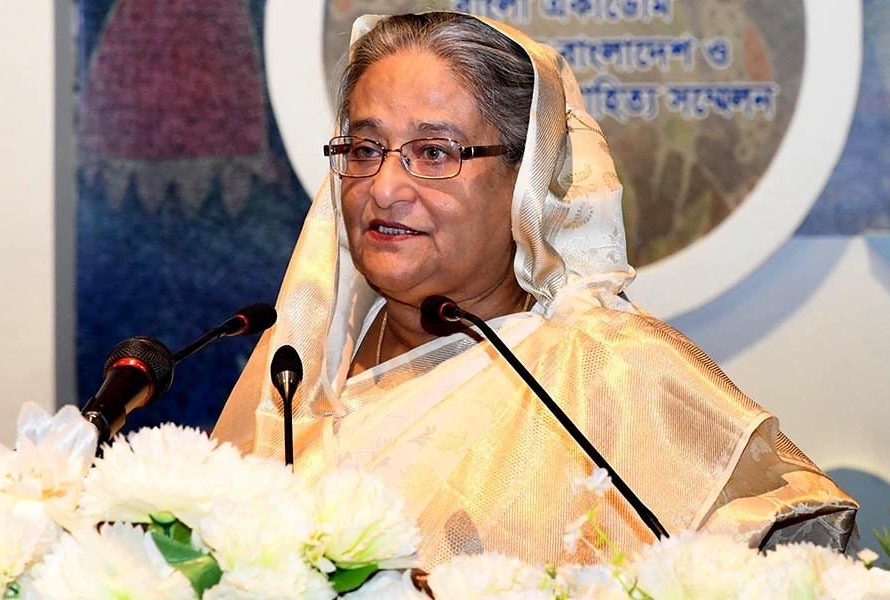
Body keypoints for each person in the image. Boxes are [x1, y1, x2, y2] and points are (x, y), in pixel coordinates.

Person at [213, 12, 857, 568]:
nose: (383, 186)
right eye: (365, 147)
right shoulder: (299, 365)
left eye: (434, 153)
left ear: (527, 179)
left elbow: (784, 552)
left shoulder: (609, 372)